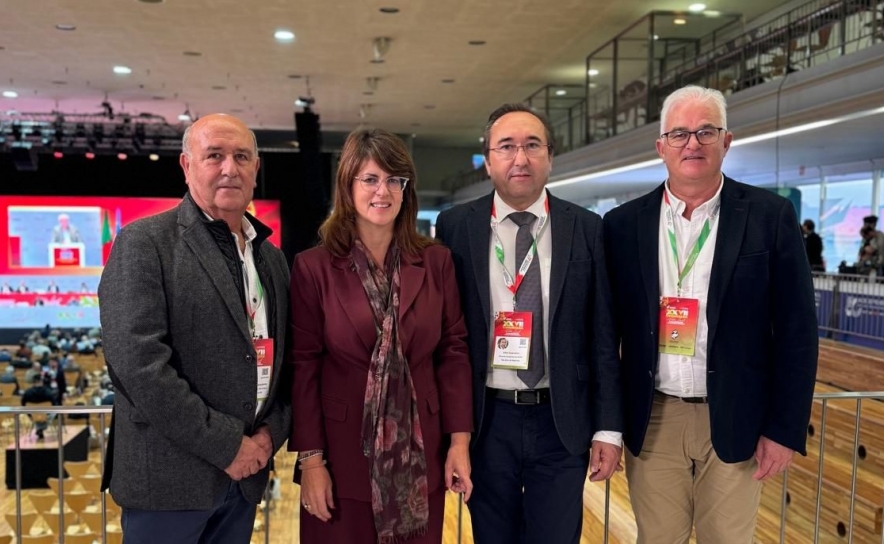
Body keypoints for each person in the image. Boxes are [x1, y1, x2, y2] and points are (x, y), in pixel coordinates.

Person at [603, 85, 818, 543]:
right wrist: (606, 425)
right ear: (661, 146)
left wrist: (784, 429)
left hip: (737, 416)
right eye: (679, 133)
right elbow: (607, 334)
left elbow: (797, 332)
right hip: (653, 417)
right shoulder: (622, 225)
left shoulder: (769, 216)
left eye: (706, 131)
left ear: (726, 141)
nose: (692, 143)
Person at [98, 113, 292, 544]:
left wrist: (268, 436)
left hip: (245, 479)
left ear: (256, 168)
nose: (230, 168)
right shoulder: (145, 242)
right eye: (214, 156)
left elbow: (285, 361)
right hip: (169, 485)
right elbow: (139, 366)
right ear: (187, 166)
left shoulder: (272, 258)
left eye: (242, 157)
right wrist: (228, 446)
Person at [435, 104, 622, 544]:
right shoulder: (456, 226)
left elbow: (603, 336)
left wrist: (608, 428)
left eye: (532, 145)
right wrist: (452, 433)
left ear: (550, 157)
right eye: (506, 147)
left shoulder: (586, 228)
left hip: (562, 419)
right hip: (486, 420)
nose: (520, 158)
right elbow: (447, 335)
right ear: (488, 160)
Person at [290, 128, 473, 544]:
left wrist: (459, 442)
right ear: (348, 186)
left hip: (421, 457)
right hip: (340, 458)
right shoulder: (314, 267)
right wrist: (311, 462)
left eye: (395, 180)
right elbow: (304, 367)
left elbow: (453, 352)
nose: (383, 191)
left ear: (407, 189)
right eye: (370, 179)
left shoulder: (436, 261)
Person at [21, 372, 57, 439]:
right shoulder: (48, 392)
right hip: (46, 415)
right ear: (42, 381)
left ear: (33, 382)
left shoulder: (27, 393)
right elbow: (54, 404)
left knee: (36, 415)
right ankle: (41, 428)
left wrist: (30, 414)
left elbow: (23, 404)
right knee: (54, 411)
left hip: (33, 415)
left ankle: (39, 428)